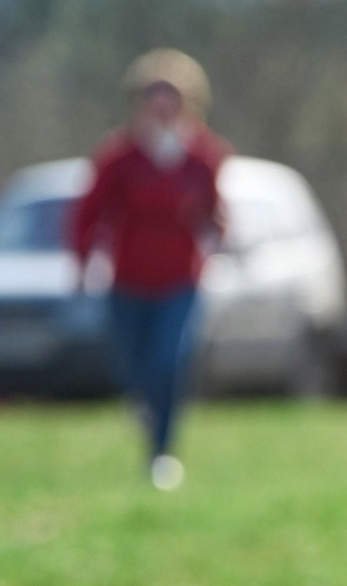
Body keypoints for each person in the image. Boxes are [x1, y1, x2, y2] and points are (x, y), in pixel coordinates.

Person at [69, 50, 228, 489]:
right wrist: (82, 262)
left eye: (171, 98)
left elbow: (216, 211)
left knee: (169, 361)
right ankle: (143, 408)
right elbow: (90, 213)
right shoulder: (119, 157)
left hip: (181, 279)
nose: (162, 106)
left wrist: (221, 234)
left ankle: (161, 453)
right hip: (128, 279)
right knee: (132, 365)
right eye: (154, 97)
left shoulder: (202, 156)